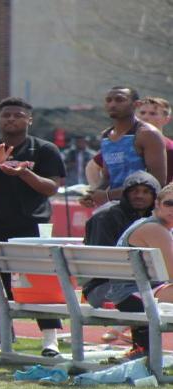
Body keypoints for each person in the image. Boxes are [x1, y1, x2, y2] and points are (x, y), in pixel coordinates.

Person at [0, 97, 66, 356]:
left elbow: (52, 187)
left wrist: (24, 173)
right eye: (6, 115)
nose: (11, 119)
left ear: (29, 119)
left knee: (40, 282)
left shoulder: (44, 149)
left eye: (17, 115)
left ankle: (50, 340)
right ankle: (2, 340)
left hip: (33, 224)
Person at [81, 170, 159, 345]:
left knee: (151, 295)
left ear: (155, 197)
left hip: (140, 285)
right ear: (125, 193)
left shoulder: (156, 219)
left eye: (146, 192)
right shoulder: (105, 217)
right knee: (146, 300)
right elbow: (101, 263)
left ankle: (145, 350)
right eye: (134, 191)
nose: (140, 196)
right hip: (104, 287)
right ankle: (144, 351)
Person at [97, 184, 173, 362]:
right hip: (134, 295)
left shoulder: (152, 225)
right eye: (170, 203)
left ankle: (133, 341)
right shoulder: (156, 230)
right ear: (158, 204)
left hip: (136, 292)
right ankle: (135, 342)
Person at [80, 87, 166, 209]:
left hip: (142, 210)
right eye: (108, 100)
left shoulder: (147, 134)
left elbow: (156, 182)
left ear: (136, 104)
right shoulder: (106, 136)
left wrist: (108, 195)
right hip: (116, 207)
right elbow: (107, 177)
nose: (112, 104)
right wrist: (93, 195)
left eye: (119, 100)